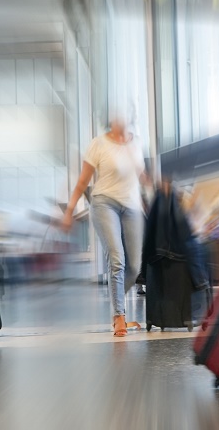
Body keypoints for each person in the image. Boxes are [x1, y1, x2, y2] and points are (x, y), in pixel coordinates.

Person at [62, 114, 147, 337]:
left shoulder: (136, 143)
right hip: (104, 203)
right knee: (117, 258)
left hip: (132, 207)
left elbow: (140, 176)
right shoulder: (98, 144)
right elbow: (83, 180)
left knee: (135, 267)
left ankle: (115, 304)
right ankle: (119, 316)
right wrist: (70, 210)